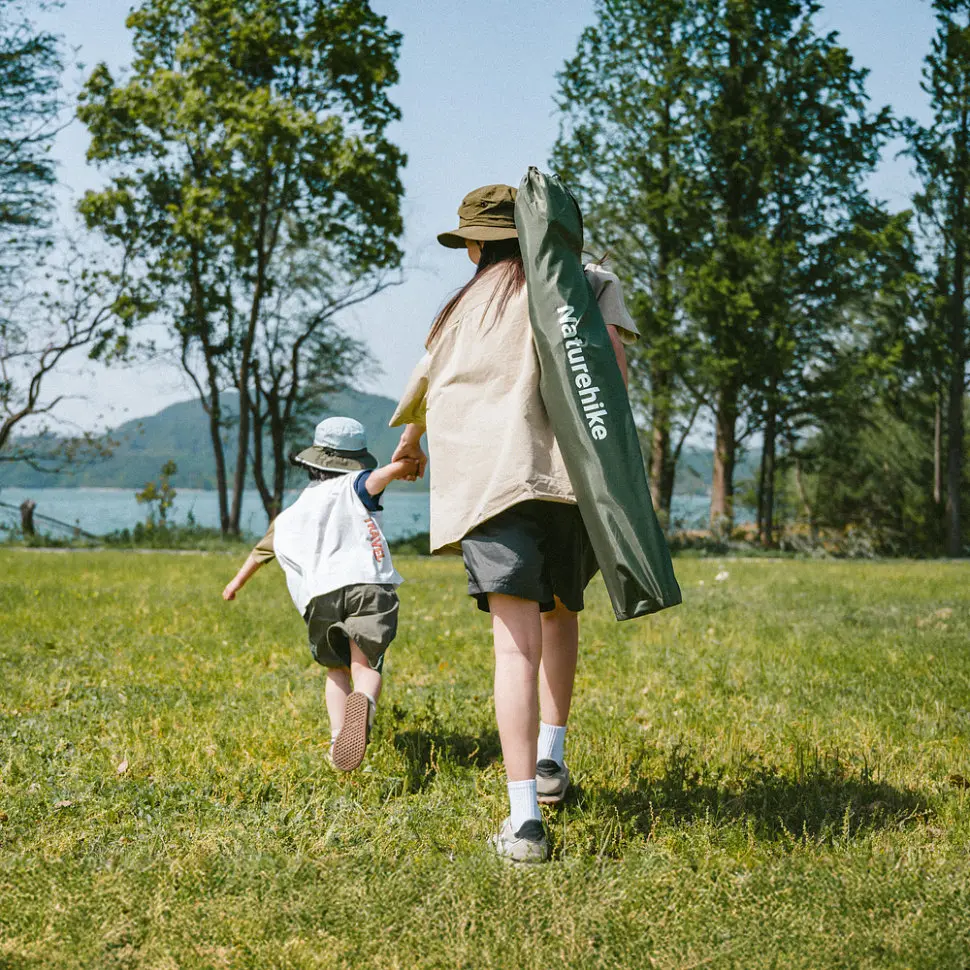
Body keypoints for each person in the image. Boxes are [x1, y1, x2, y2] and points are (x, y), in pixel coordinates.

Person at [389, 183, 639, 862]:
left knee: (513, 648)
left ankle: (524, 820)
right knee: (561, 614)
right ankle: (553, 758)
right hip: (567, 485)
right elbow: (612, 374)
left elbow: (423, 394)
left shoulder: (459, 310)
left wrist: (409, 451)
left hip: (493, 488)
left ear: (476, 244)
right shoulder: (586, 283)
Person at [223, 416, 416, 772]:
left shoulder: (292, 513)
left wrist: (234, 584)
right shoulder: (356, 485)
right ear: (355, 460)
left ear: (315, 464)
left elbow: (260, 552)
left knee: (336, 670)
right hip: (367, 586)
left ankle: (337, 738)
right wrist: (405, 464)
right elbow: (378, 478)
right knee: (365, 664)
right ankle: (365, 704)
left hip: (319, 598)